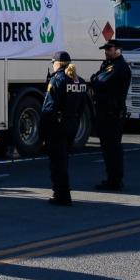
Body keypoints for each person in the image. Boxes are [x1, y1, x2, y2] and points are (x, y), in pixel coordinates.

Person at [40, 51, 87, 206]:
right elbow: (82, 107)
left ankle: (61, 195)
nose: (52, 65)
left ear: (58, 63)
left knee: (57, 163)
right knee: (64, 160)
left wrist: (42, 132)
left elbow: (48, 109)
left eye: (53, 62)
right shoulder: (79, 81)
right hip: (72, 124)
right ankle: (62, 194)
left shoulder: (57, 80)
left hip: (57, 126)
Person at [90, 40, 132, 191]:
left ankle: (115, 180)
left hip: (112, 114)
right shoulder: (110, 65)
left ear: (118, 50)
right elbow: (96, 79)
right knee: (108, 149)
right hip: (107, 113)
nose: (106, 51)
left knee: (112, 149)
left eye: (109, 49)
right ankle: (112, 179)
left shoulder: (118, 67)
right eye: (105, 49)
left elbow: (98, 82)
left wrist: (96, 77)